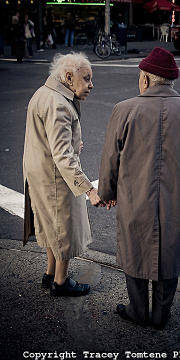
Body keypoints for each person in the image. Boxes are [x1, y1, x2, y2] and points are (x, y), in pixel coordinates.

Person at [98, 48, 180, 328]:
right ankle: (161, 315)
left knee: (134, 245)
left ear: (146, 81)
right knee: (170, 247)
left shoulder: (124, 109)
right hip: (176, 195)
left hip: (133, 194)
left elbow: (111, 158)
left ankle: (138, 310)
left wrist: (107, 192)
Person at [23, 52, 104, 297]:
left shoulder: (42, 93)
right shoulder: (59, 104)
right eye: (87, 78)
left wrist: (70, 143)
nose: (91, 84)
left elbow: (50, 140)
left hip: (39, 172)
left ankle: (50, 273)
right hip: (56, 178)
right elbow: (62, 156)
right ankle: (60, 281)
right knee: (64, 230)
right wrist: (89, 189)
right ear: (69, 77)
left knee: (51, 227)